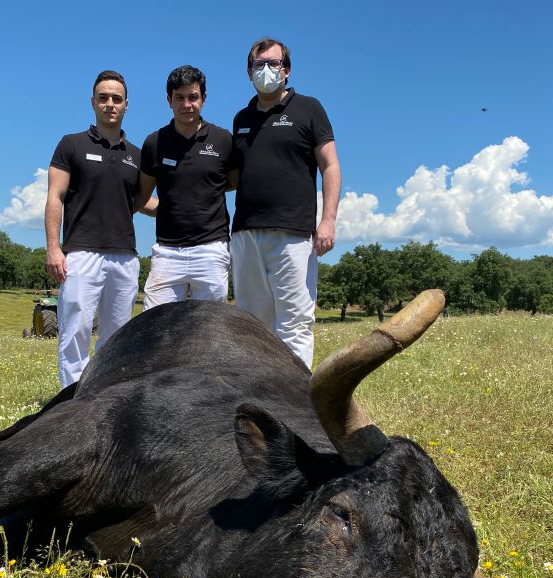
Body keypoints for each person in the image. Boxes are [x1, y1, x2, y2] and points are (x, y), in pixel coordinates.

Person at [228, 38, 341, 369]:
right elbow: (232, 176)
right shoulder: (241, 118)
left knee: (294, 323)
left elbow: (330, 166)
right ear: (249, 72)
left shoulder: (309, 109)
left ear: (286, 71)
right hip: (246, 233)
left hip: (293, 232)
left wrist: (328, 221)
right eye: (259, 64)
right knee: (251, 324)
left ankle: (296, 402)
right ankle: (258, 396)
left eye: (273, 64)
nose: (266, 70)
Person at [46, 70, 155, 388]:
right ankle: (71, 405)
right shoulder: (72, 144)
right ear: (93, 102)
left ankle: (105, 402)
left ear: (126, 105)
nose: (110, 104)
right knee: (75, 334)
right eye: (103, 98)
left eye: (116, 99)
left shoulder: (137, 156)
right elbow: (55, 196)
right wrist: (54, 247)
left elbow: (141, 202)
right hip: (80, 255)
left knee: (117, 340)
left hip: (124, 258)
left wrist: (183, 207)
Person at [137, 65, 233, 310]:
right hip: (167, 252)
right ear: (169, 100)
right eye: (179, 98)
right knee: (156, 326)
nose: (187, 104)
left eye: (193, 97)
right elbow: (142, 197)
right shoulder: (154, 142)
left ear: (204, 98)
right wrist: (170, 208)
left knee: (210, 329)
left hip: (211, 249)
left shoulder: (223, 140)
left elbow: (232, 182)